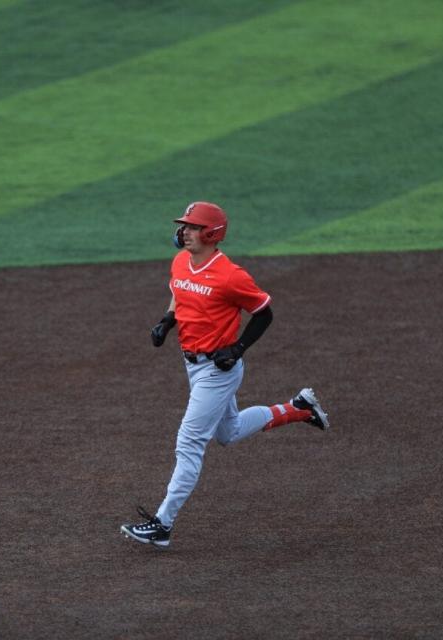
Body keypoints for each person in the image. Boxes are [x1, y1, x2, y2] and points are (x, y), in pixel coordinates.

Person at [120, 201, 330, 548]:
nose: (184, 231)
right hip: (193, 365)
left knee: (189, 443)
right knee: (229, 432)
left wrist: (238, 349)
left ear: (211, 234)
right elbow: (179, 292)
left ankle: (162, 524)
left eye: (191, 226)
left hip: (218, 371)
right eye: (183, 225)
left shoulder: (231, 275)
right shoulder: (181, 261)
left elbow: (264, 314)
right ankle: (300, 407)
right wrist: (166, 321)